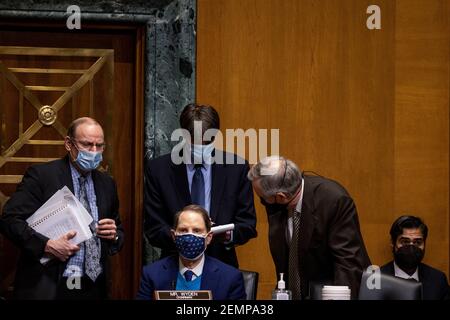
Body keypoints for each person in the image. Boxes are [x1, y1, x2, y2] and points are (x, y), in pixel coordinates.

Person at [0, 117, 124, 299]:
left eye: (100, 146)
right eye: (87, 145)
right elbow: (9, 220)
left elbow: (118, 228)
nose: (94, 152)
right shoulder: (42, 176)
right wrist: (46, 245)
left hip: (94, 286)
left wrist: (115, 235)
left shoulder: (107, 183)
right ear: (68, 144)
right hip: (51, 285)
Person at [144, 103, 257, 268]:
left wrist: (227, 235)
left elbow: (247, 224)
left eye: (208, 140)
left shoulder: (236, 167)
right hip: (174, 265)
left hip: (221, 264)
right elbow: (153, 228)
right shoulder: (159, 170)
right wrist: (182, 236)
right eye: (196, 141)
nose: (202, 146)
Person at [247, 156, 371, 300]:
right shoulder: (279, 202)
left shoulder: (334, 200)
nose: (263, 202)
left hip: (328, 292)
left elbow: (347, 263)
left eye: (262, 198)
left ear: (281, 197)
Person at [137, 204, 246, 300]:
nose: (189, 236)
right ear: (174, 236)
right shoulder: (151, 274)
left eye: (197, 230)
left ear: (208, 237)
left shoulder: (230, 278)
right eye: (183, 230)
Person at [380, 215, 449, 300]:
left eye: (417, 242)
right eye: (405, 242)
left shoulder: (438, 280)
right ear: (393, 243)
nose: (411, 248)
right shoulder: (375, 280)